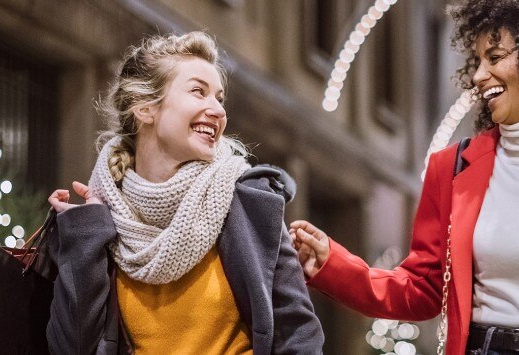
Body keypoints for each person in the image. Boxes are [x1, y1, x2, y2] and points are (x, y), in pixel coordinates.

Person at [289, 1, 519, 354]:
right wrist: (331, 264)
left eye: (495, 58)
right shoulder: (450, 167)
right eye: (478, 60)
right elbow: (422, 288)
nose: (480, 76)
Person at [44, 31, 323, 354]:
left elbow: (299, 336)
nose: (218, 111)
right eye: (198, 92)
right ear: (145, 109)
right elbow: (69, 348)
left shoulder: (250, 200)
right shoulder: (103, 214)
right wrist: (86, 235)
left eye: (219, 98)